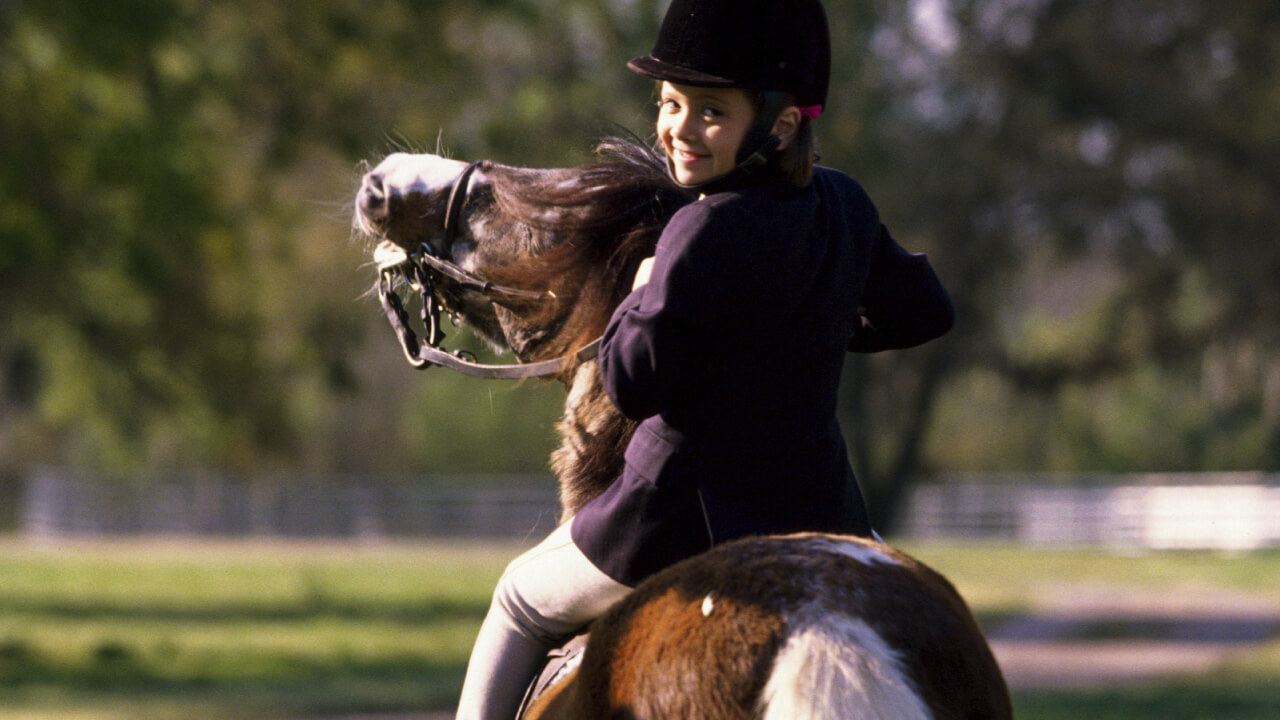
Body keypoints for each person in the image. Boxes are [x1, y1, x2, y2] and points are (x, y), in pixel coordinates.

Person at [454, 1, 954, 718]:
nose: (680, 129)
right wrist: (806, 325)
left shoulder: (700, 226)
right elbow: (926, 311)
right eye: (670, 103)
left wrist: (640, 291)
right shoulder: (844, 202)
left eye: (711, 111)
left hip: (673, 520)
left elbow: (629, 382)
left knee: (517, 602)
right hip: (824, 512)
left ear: (782, 124)